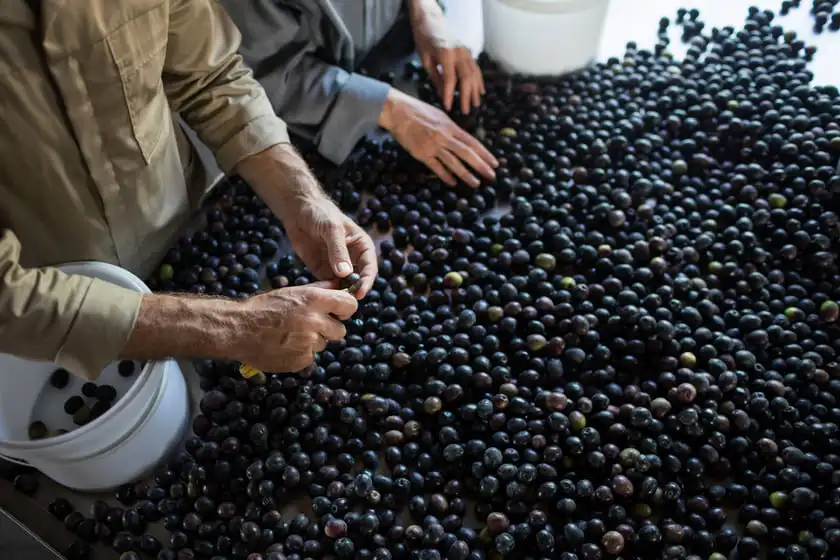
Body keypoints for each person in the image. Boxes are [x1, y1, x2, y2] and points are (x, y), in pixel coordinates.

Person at [0, 0, 377, 379]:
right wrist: (234, 327)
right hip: (49, 318)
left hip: (188, 230)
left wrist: (302, 197)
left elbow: (211, 77)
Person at [219, 0, 499, 188]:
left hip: (394, 47)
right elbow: (267, 74)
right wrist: (390, 109)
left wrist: (425, 11)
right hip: (309, 107)